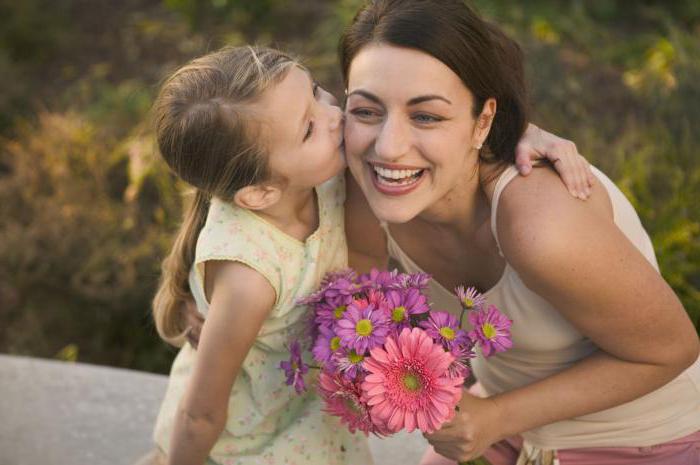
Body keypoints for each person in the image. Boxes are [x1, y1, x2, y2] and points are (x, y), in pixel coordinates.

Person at [336, 1, 700, 464]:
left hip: (643, 440)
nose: (387, 147)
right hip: (509, 420)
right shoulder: (365, 182)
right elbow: (363, 294)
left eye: (426, 116)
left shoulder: (541, 227)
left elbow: (673, 350)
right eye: (367, 110)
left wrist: (494, 418)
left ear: (483, 120)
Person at [144, 45, 373, 465]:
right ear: (260, 193)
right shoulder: (250, 275)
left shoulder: (322, 177)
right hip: (245, 439)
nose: (334, 115)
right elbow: (200, 413)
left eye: (318, 92)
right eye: (308, 128)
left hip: (305, 412)